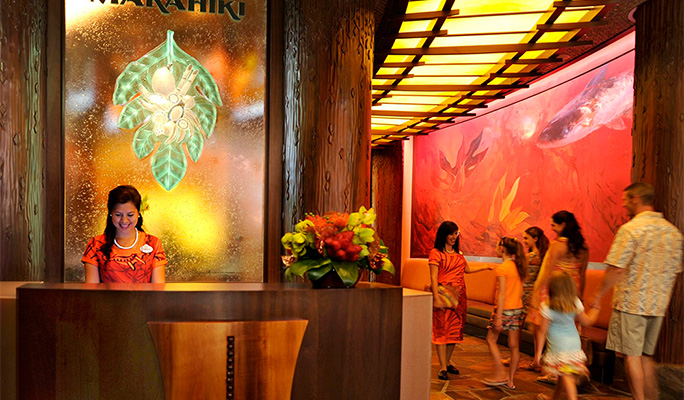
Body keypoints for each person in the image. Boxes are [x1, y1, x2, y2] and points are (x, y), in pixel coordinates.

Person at [588, 182, 683, 400]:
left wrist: (597, 296)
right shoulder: (674, 233)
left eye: (626, 201)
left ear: (636, 199)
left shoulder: (631, 230)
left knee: (631, 357)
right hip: (658, 306)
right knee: (646, 357)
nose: (624, 206)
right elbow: (676, 270)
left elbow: (616, 268)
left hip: (631, 304)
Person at [528, 211, 588, 382]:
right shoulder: (583, 248)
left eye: (554, 225)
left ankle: (552, 369)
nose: (552, 229)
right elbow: (582, 275)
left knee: (550, 329)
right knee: (569, 329)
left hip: (555, 288)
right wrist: (580, 296)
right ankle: (569, 368)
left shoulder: (557, 246)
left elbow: (548, 272)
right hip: (573, 290)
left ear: (563, 225)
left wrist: (538, 293)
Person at [429, 221, 492, 380]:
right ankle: (442, 367)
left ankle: (447, 362)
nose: (454, 237)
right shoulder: (436, 253)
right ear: (444, 234)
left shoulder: (459, 254)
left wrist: (485, 268)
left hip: (460, 297)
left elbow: (467, 270)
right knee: (441, 331)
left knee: (454, 331)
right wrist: (436, 297)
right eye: (451, 233)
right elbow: (433, 277)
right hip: (444, 295)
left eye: (456, 233)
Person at [82, 185, 167, 283]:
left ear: (138, 213)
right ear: (111, 213)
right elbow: (92, 289)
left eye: (130, 215)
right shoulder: (96, 245)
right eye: (118, 215)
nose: (124, 220)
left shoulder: (153, 243)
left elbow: (158, 288)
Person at [535, 271, 591, 400]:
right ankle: (555, 397)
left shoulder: (546, 306)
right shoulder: (575, 303)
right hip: (574, 344)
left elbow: (542, 331)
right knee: (563, 373)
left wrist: (538, 353)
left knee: (567, 377)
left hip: (558, 347)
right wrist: (596, 309)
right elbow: (586, 321)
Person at [483, 237, 527, 390]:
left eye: (497, 246)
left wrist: (498, 317)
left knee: (491, 339)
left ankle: (500, 372)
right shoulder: (518, 266)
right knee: (514, 346)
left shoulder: (502, 268)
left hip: (505, 309)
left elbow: (501, 294)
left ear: (502, 249)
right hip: (518, 308)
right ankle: (510, 380)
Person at [518, 227, 550, 371]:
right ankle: (538, 359)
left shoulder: (530, 257)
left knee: (534, 330)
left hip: (529, 295)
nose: (524, 241)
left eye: (526, 238)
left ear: (535, 239)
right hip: (540, 295)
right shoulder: (544, 257)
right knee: (538, 330)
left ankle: (534, 359)